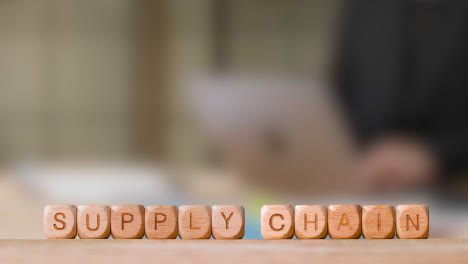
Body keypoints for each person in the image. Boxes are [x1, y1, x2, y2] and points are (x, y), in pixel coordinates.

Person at [334, 0, 468, 190]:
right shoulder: (364, 7)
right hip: (366, 184)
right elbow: (340, 98)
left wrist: (438, 156)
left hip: (453, 189)